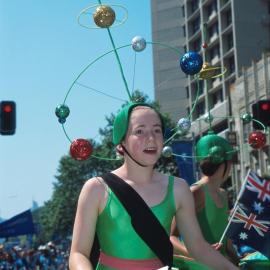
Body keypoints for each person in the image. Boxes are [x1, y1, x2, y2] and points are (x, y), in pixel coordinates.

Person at [69, 102, 238, 270]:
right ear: (122, 142)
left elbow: (198, 248)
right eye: (139, 131)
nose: (151, 138)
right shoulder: (96, 189)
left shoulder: (178, 188)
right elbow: (78, 254)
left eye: (157, 130)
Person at [170, 131, 239, 265]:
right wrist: (199, 254)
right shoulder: (196, 191)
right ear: (222, 162)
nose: (231, 166)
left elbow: (225, 238)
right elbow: (171, 237)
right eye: (230, 161)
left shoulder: (223, 194)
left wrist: (237, 260)